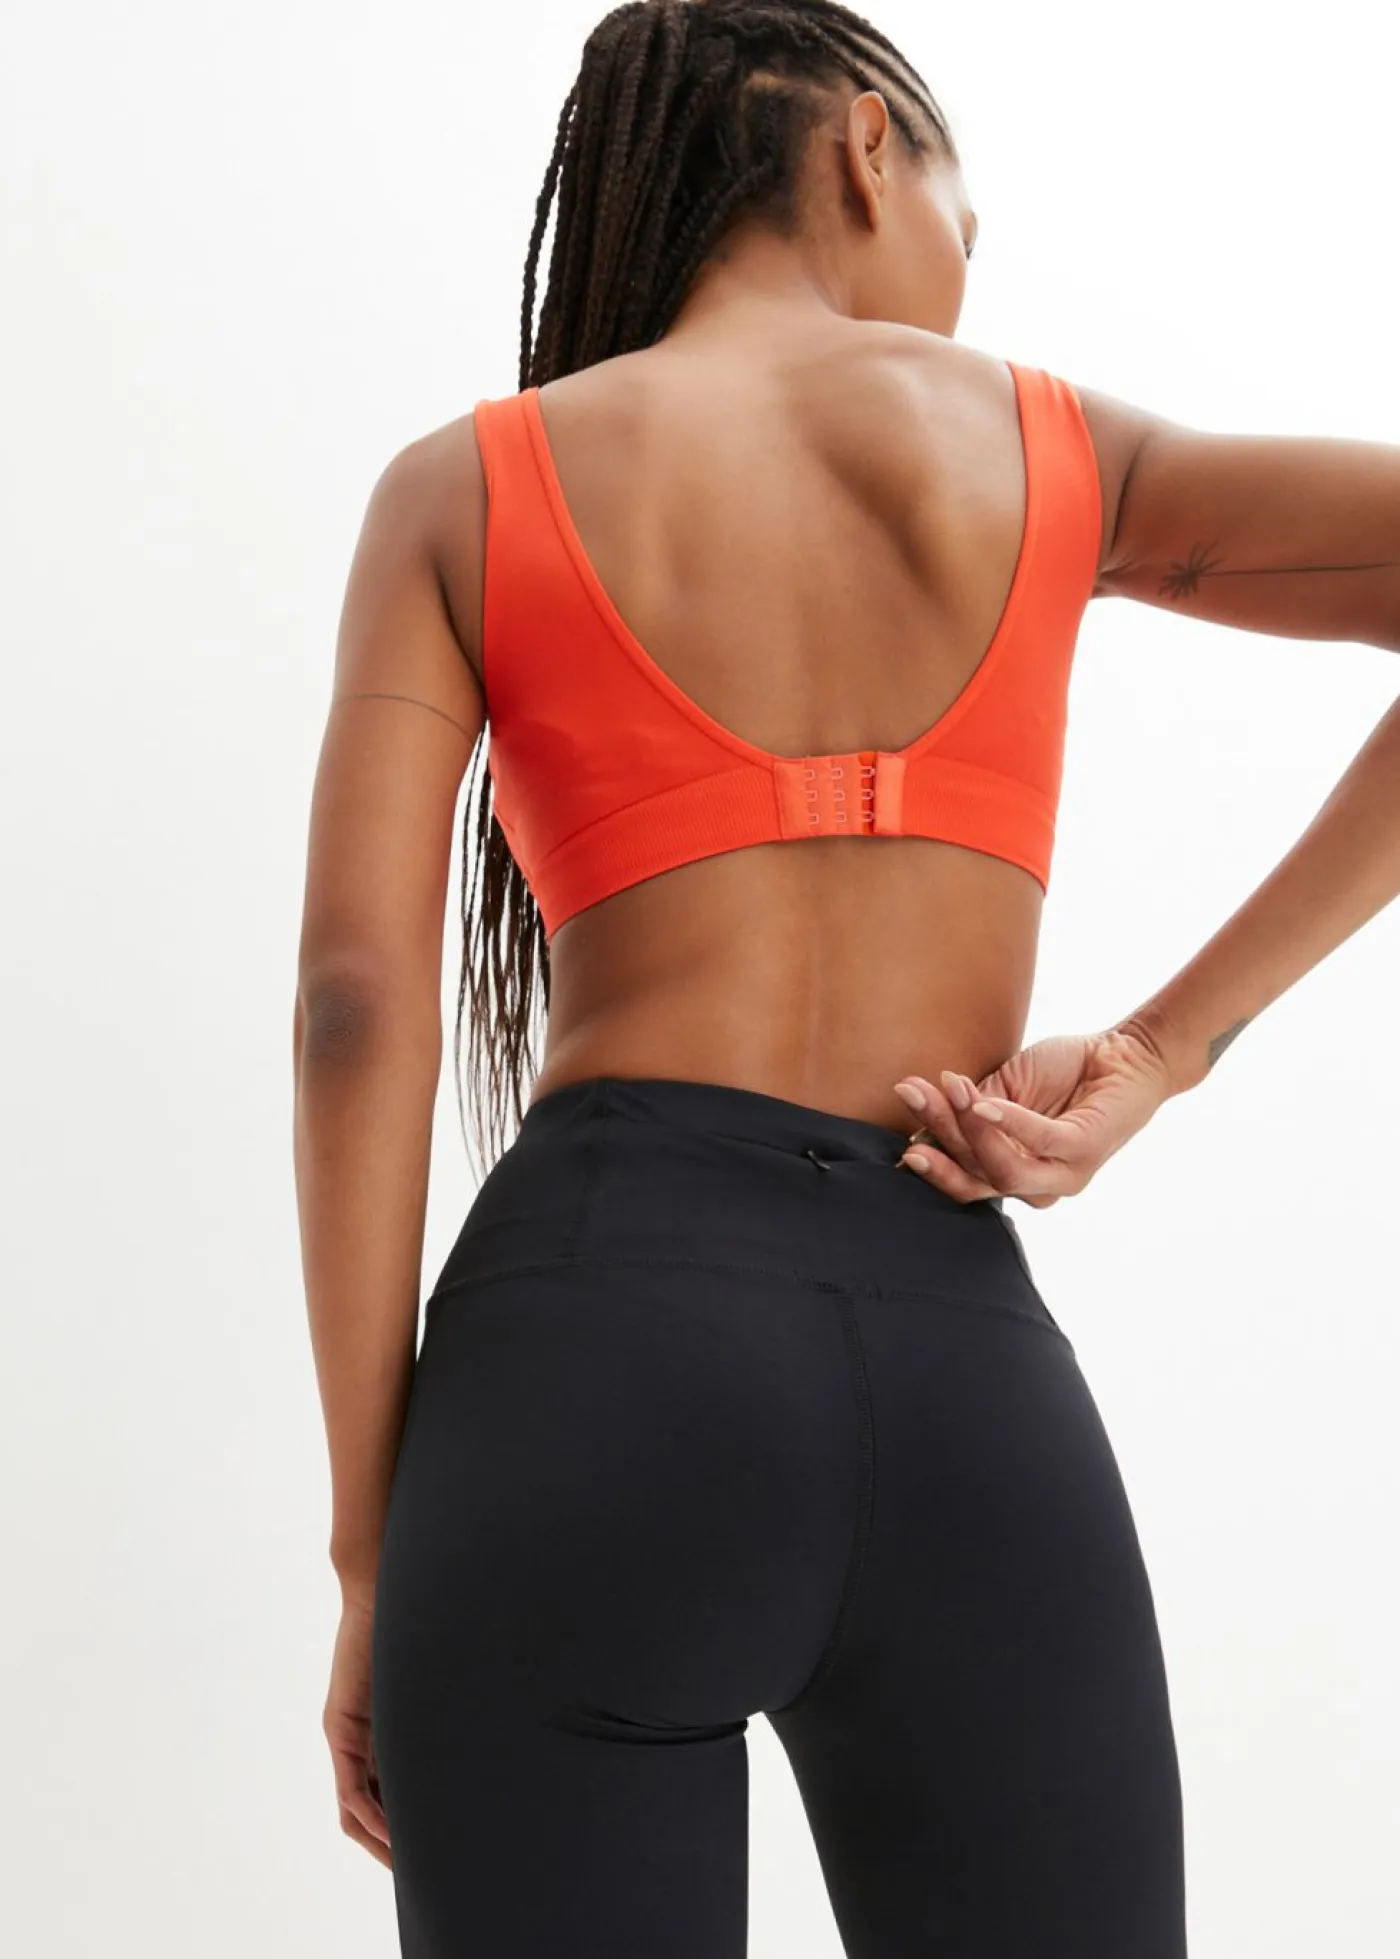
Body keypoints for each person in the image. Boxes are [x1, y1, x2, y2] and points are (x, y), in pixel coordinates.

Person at [291, 2, 1400, 1953]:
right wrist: (1163, 1049)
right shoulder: (1056, 448)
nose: (968, 265)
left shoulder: (465, 487)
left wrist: (376, 1550)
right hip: (961, 1360)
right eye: (971, 210)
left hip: (585, 1357)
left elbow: (355, 1004)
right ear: (867, 148)